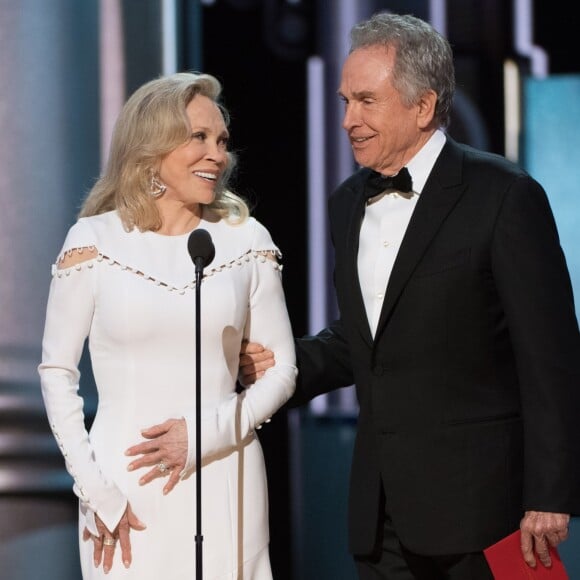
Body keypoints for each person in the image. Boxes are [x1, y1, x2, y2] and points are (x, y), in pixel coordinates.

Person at [240, 12, 580, 580]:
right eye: (346, 102)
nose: (348, 120)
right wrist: (281, 363)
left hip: (488, 515)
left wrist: (549, 494)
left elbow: (552, 359)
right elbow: (361, 339)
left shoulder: (504, 194)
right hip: (382, 515)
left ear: (423, 106)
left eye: (366, 101)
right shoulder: (347, 203)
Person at [38, 71, 297, 579]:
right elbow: (56, 373)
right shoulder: (93, 241)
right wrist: (94, 488)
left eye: (221, 141)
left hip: (226, 470)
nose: (217, 155)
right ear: (151, 147)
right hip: (124, 488)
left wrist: (204, 434)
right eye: (198, 137)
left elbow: (282, 370)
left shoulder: (246, 240)